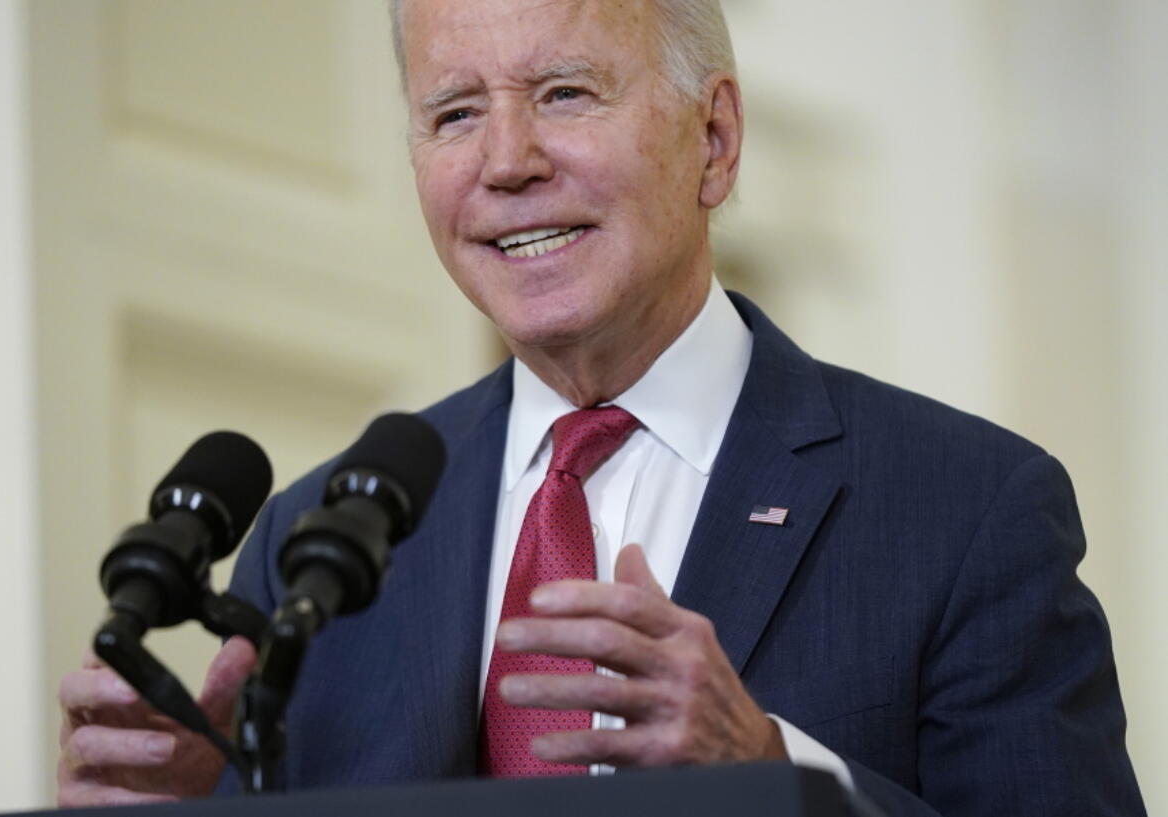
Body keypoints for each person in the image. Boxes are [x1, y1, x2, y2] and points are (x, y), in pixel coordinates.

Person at [57, 0, 1146, 814]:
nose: (506, 162)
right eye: (452, 112)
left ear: (712, 141)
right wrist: (206, 805)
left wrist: (774, 776)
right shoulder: (315, 543)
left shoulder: (964, 508)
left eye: (565, 93)